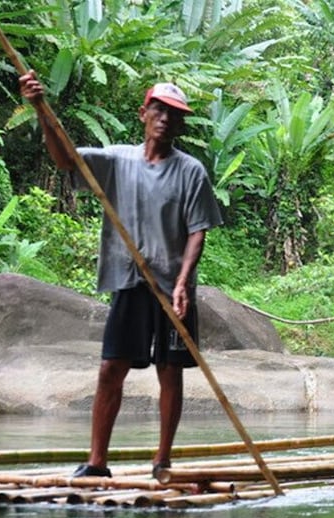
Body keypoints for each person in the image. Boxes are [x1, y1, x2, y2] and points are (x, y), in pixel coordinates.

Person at [20, 72, 223, 478]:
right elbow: (65, 160)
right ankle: (97, 462)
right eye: (158, 110)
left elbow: (198, 230)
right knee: (111, 368)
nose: (164, 119)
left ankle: (162, 460)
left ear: (180, 125)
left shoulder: (191, 171)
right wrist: (41, 109)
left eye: (174, 115)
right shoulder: (116, 160)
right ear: (143, 114)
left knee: (170, 371)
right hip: (130, 281)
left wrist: (183, 282)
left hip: (171, 288)